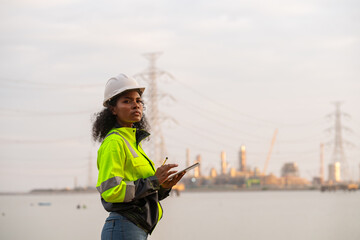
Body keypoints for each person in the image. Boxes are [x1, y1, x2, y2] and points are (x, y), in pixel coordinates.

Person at [92, 73, 185, 240]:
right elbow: (111, 191)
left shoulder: (133, 142)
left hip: (134, 229)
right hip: (124, 228)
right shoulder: (114, 142)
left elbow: (139, 196)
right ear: (113, 109)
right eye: (127, 101)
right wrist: (153, 181)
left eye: (138, 101)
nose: (136, 105)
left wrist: (163, 187)